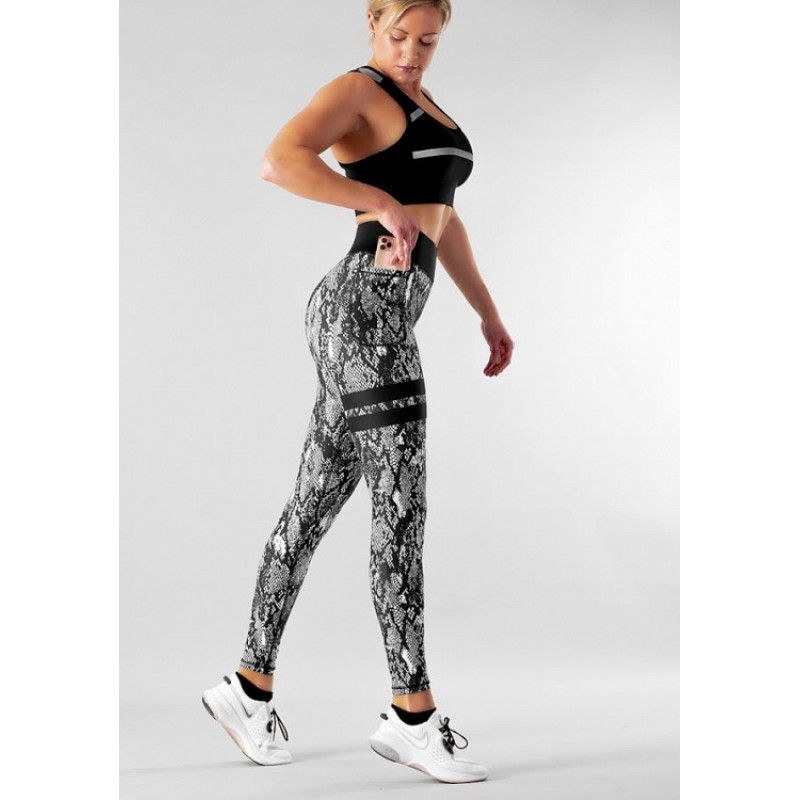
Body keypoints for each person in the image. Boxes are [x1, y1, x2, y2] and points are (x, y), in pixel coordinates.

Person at [201, 0, 513, 784]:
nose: (412, 51)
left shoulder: (426, 105)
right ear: (371, 25)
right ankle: (412, 714)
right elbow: (281, 160)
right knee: (400, 509)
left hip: (380, 316)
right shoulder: (357, 89)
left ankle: (246, 688)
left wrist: (487, 313)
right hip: (362, 316)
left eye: (428, 39)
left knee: (310, 509)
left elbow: (444, 220)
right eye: (398, 35)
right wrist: (375, 201)